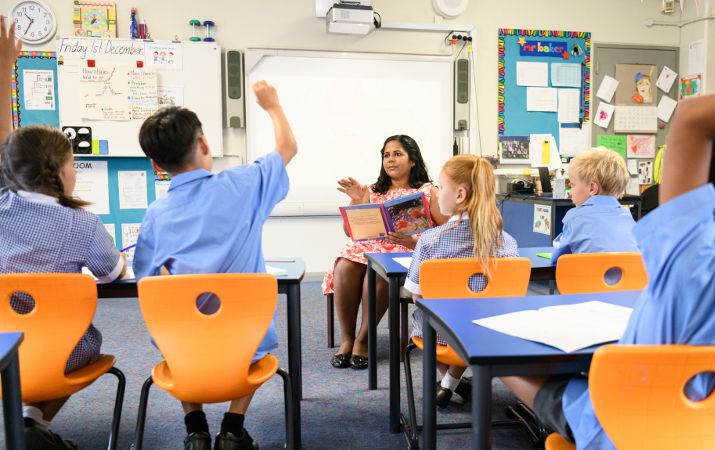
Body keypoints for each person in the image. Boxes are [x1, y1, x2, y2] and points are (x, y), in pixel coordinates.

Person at [502, 73, 715, 449]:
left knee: (503, 358)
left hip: (620, 432)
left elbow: (692, 116)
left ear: (697, 194)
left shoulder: (686, 254)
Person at [134, 81, 296, 450]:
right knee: (261, 345)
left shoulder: (156, 214)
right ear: (205, 145)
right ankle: (233, 429)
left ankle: (195, 428)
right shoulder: (244, 183)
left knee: (171, 331)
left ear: (157, 165)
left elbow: (146, 281)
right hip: (244, 341)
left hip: (186, 346)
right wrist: (272, 105)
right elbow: (287, 148)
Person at [0, 16, 127, 450]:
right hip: (62, 350)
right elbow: (112, 274)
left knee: (25, 353)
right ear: (62, 172)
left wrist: (3, 70)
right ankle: (34, 420)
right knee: (83, 345)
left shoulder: (1, 206)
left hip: (2, 345)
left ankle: (27, 418)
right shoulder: (81, 223)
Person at [323, 135, 448, 369]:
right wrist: (357, 201)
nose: (390, 160)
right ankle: (347, 339)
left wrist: (414, 242)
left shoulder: (429, 191)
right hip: (368, 247)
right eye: (386, 155)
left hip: (405, 251)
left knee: (378, 270)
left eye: (397, 154)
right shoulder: (372, 190)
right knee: (344, 264)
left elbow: (447, 231)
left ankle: (364, 340)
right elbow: (350, 231)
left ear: (412, 160)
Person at [404, 155, 519, 408]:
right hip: (491, 332)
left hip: (442, 337)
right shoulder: (507, 242)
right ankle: (452, 382)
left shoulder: (429, 240)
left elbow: (417, 296)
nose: (437, 193)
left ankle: (448, 381)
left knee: (424, 318)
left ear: (459, 195)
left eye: (442, 187)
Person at [551, 147, 638, 262]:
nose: (570, 193)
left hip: (590, 279)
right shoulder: (627, 218)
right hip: (633, 279)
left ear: (592, 188)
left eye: (572, 185)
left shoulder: (575, 217)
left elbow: (557, 259)